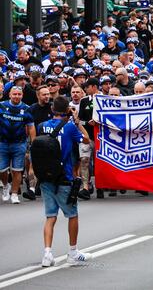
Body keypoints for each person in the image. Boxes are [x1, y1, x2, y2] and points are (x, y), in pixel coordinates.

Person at [36, 95, 91, 267]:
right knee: (72, 214)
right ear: (67, 110)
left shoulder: (41, 126)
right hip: (64, 176)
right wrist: (78, 123)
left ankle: (47, 253)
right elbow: (86, 140)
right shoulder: (69, 128)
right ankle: (72, 252)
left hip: (45, 176)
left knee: (50, 216)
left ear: (52, 110)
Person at [0, 85, 36, 204]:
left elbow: (31, 127)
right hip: (2, 143)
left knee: (17, 170)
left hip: (19, 144)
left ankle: (14, 194)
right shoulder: (2, 105)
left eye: (19, 94)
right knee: (1, 170)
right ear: (9, 94)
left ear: (22, 96)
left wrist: (33, 142)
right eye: (14, 94)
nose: (16, 96)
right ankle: (6, 186)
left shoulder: (27, 109)